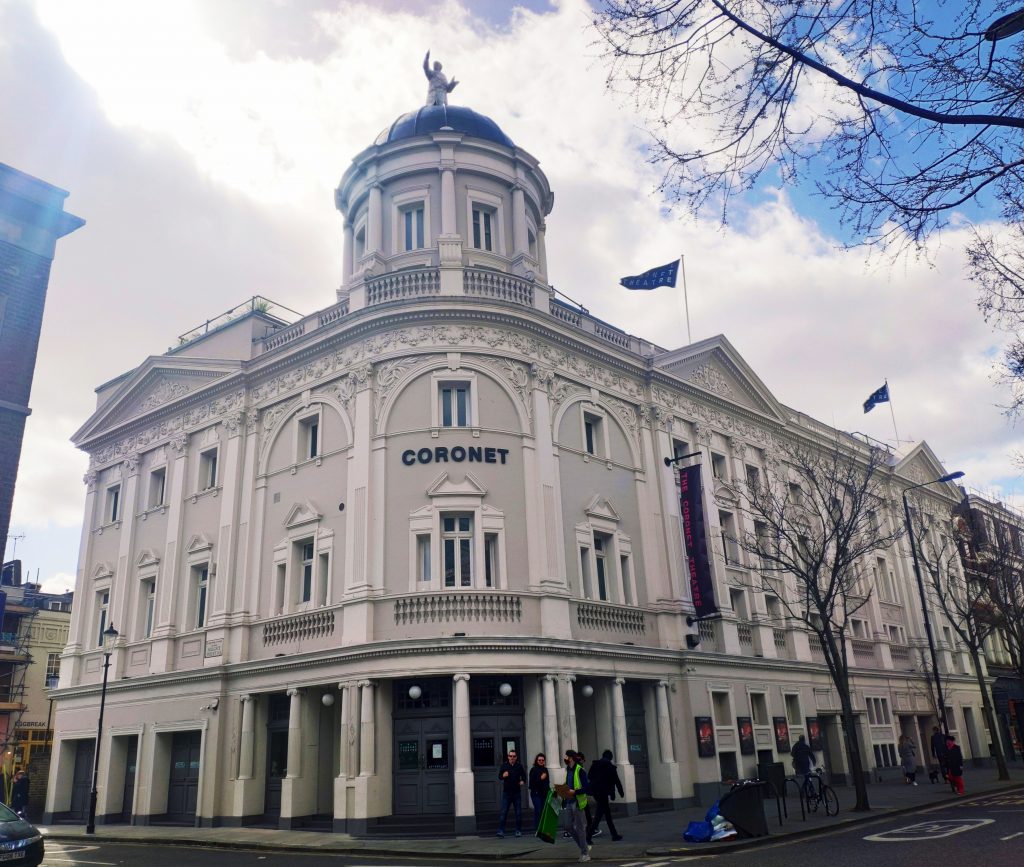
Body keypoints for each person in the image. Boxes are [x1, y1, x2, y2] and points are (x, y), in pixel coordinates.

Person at [587, 749, 624, 842]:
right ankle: (589, 836)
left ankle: (614, 835)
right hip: (603, 793)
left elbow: (589, 776)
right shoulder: (610, 767)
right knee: (599, 815)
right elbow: (616, 780)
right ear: (610, 757)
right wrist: (620, 792)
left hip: (596, 792)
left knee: (606, 814)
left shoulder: (595, 764)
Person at [561, 750, 591, 862]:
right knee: (567, 826)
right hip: (569, 801)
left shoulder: (580, 770)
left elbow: (586, 788)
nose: (565, 758)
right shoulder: (568, 770)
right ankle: (585, 847)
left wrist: (575, 792)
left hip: (578, 802)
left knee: (580, 828)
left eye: (566, 757)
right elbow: (568, 785)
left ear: (571, 758)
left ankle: (585, 854)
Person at [496, 748, 526, 838]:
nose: (512, 758)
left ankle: (518, 831)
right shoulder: (504, 766)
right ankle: (501, 831)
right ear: (508, 757)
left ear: (516, 757)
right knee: (504, 812)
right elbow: (499, 776)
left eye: (514, 756)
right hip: (507, 793)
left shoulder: (519, 766)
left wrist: (522, 781)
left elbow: (524, 777)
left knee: (518, 813)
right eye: (510, 756)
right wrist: (503, 775)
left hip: (516, 793)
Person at [528, 753, 550, 832]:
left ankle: (542, 828)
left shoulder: (545, 770)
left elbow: (547, 782)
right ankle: (538, 828)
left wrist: (549, 792)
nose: (541, 761)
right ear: (536, 761)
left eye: (542, 760)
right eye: (539, 760)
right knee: (538, 810)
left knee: (543, 811)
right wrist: (541, 778)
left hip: (544, 794)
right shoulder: (533, 770)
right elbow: (532, 783)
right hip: (536, 794)